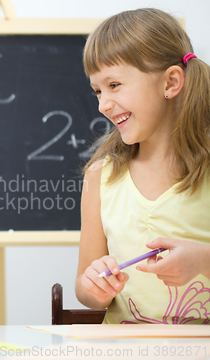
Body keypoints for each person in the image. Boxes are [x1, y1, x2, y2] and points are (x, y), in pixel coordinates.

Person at [75, 8, 210, 324]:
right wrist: (94, 286)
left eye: (115, 85)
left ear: (171, 82)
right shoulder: (100, 177)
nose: (102, 104)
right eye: (97, 90)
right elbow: (85, 290)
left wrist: (204, 260)